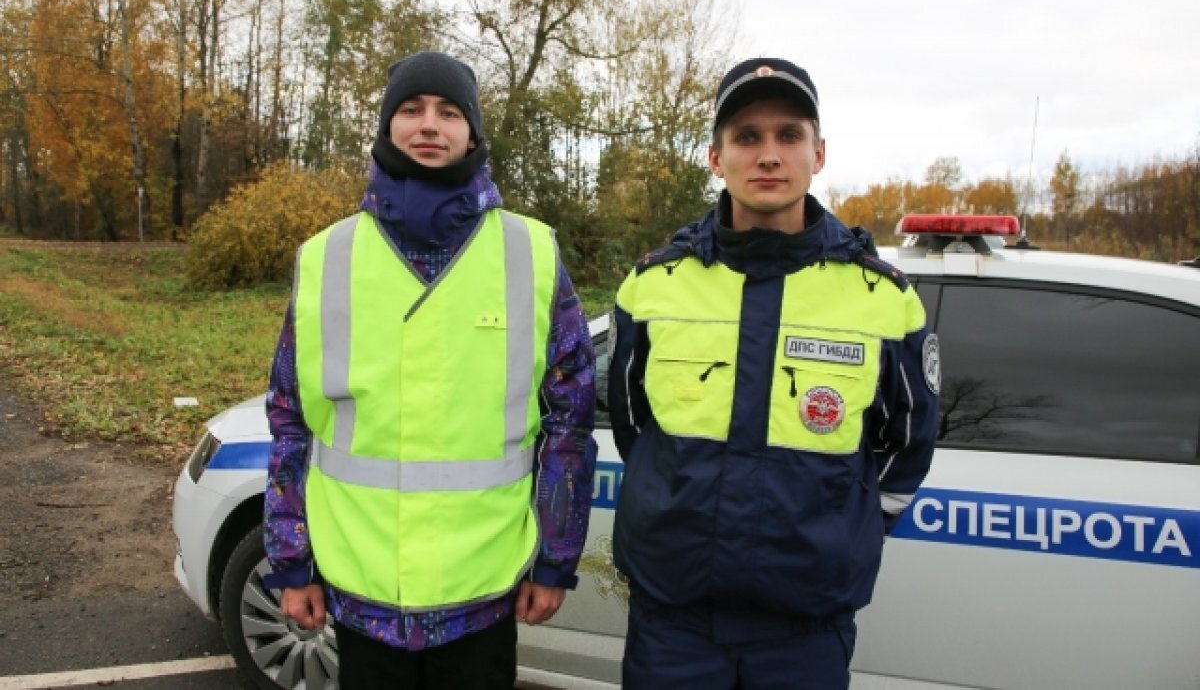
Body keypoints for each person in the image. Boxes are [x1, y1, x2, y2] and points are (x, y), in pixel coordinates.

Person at [263, 51, 597, 690]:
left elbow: (570, 423)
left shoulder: (531, 251)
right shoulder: (326, 257)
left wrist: (554, 560)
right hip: (360, 591)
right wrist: (291, 561)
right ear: (388, 126)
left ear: (472, 133)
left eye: (449, 113)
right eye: (410, 110)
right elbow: (290, 419)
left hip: (483, 590)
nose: (428, 126)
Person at [608, 58, 939, 690]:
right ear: (715, 157)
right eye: (746, 137)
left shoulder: (883, 298)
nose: (768, 155)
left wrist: (850, 528)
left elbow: (909, 444)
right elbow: (635, 431)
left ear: (818, 154)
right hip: (674, 621)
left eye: (788, 135)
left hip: (805, 629)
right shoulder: (653, 286)